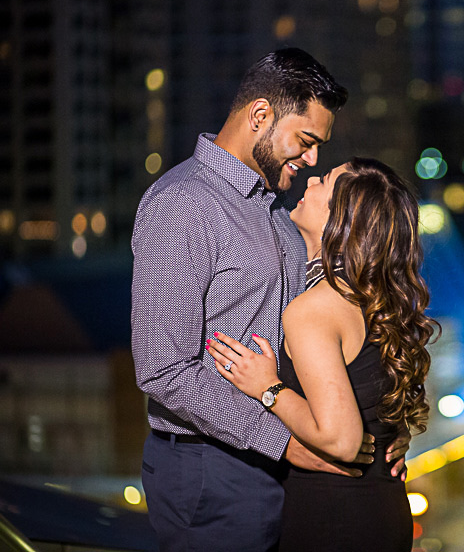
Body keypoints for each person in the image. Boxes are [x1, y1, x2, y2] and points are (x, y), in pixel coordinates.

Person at [130, 49, 409, 551]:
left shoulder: (280, 213)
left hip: (284, 466)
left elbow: (336, 332)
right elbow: (162, 367)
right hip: (210, 467)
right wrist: (284, 441)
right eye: (306, 142)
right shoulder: (183, 205)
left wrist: (379, 432)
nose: (312, 161)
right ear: (261, 115)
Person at [206, 158, 436, 552]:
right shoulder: (373, 299)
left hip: (336, 519)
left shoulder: (314, 309)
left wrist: (268, 387)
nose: (311, 178)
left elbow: (341, 440)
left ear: (339, 221)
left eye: (324, 180)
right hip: (381, 510)